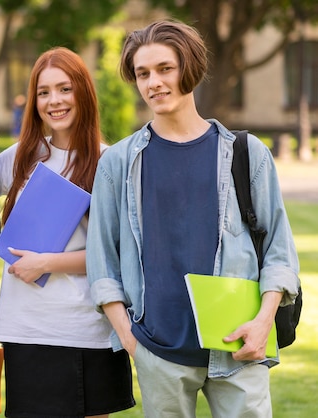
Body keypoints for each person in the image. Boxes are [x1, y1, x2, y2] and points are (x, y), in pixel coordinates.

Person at [86, 20, 300, 418]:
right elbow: (102, 261)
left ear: (190, 68)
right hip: (158, 348)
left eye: (165, 69)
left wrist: (262, 323)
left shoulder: (247, 154)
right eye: (142, 73)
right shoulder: (117, 162)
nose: (153, 83)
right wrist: (131, 339)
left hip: (239, 345)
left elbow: (280, 254)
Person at [0, 47, 135, 418]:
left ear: (83, 93)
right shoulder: (21, 157)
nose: (53, 101)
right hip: (27, 328)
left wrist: (47, 262)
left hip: (88, 326)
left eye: (64, 89)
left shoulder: (110, 162)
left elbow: (120, 253)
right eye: (43, 92)